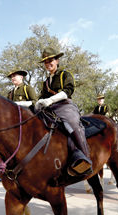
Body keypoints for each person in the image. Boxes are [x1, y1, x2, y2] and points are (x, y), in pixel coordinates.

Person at [35, 47, 92, 176]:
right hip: (49, 109)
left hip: (64, 106)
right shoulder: (46, 82)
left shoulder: (65, 74)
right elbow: (41, 97)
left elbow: (68, 91)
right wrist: (38, 103)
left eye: (51, 60)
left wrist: (50, 100)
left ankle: (85, 158)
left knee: (71, 124)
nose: (48, 63)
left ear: (57, 60)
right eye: (45, 61)